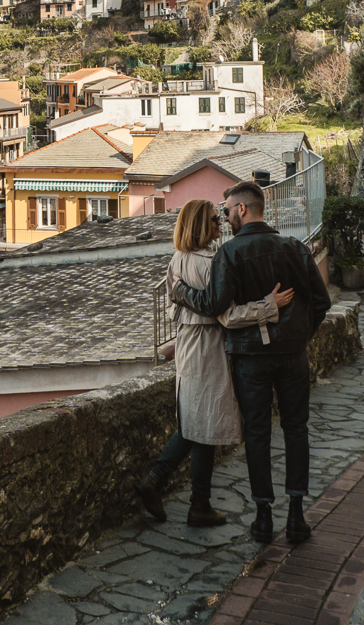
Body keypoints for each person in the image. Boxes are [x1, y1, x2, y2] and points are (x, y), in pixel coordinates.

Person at [170, 180, 331, 545]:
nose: (224, 218)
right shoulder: (294, 248)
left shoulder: (229, 254)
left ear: (243, 209)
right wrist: (299, 337)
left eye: (226, 211)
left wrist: (180, 291)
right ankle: (296, 515)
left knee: (258, 433)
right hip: (292, 355)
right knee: (296, 430)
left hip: (250, 359)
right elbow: (321, 303)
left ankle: (262, 518)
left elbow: (214, 306)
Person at [137, 198, 294, 528]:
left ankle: (193, 500)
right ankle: (165, 485)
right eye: (212, 220)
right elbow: (228, 316)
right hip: (209, 348)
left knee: (198, 423)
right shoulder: (213, 263)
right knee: (200, 424)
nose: (219, 224)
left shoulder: (178, 260)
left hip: (189, 346)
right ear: (198, 225)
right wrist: (269, 306)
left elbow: (182, 304)